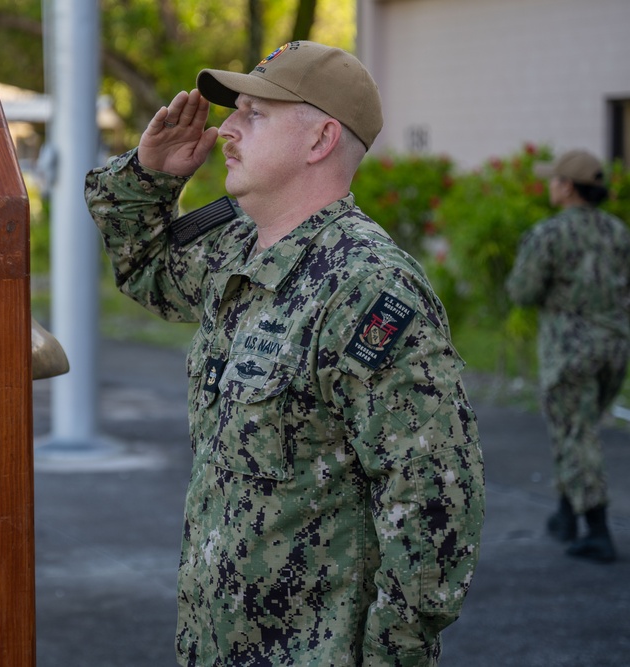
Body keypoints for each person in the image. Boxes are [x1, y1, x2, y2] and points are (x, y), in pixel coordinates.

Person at [85, 41, 485, 665]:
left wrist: (388, 657)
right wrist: (150, 177)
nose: (227, 131)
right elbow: (148, 272)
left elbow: (432, 503)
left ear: (321, 140)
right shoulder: (238, 251)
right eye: (236, 111)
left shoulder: (366, 287)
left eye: (256, 114)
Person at [506, 149, 629, 564]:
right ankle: (566, 516)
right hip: (615, 346)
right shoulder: (618, 232)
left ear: (569, 187)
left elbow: (522, 291)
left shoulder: (549, 235)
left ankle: (597, 530)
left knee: (575, 434)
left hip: (570, 350)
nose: (550, 185)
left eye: (555, 179)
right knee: (579, 428)